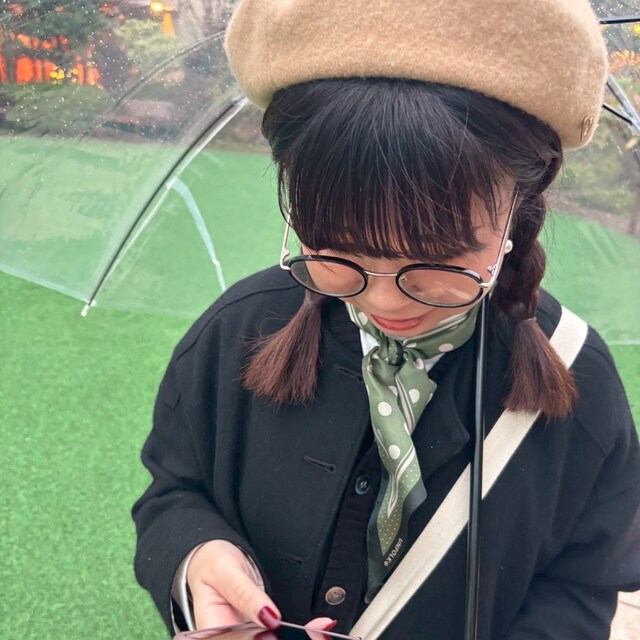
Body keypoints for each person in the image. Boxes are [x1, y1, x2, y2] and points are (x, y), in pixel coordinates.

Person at [132, 1, 640, 638]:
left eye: (439, 256)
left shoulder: (576, 379)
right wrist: (195, 558)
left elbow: (582, 579)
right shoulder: (239, 330)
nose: (385, 301)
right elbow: (173, 491)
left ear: (520, 202)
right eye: (337, 249)